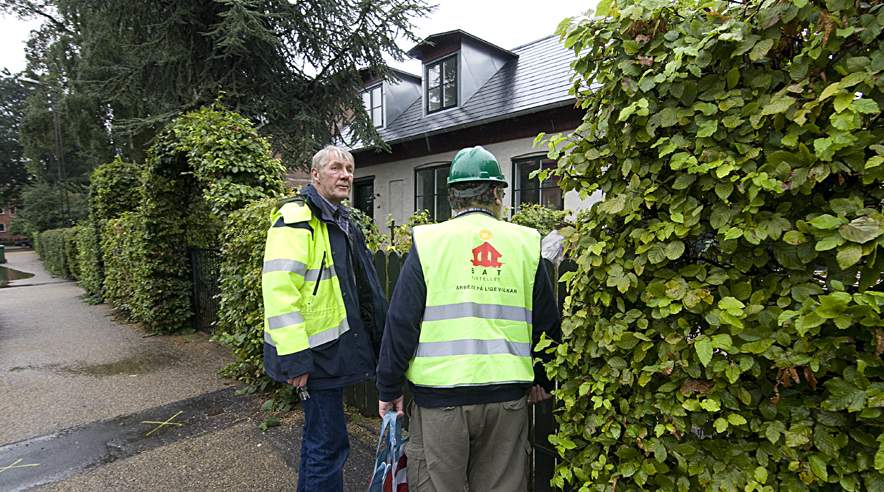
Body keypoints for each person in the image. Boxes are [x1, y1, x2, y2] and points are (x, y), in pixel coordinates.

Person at [376, 146, 561, 491]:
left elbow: (401, 321)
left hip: (440, 403)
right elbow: (547, 323)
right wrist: (543, 378)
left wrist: (389, 386)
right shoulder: (524, 242)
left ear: (452, 196)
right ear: (496, 193)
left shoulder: (429, 241)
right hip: (506, 401)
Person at [262, 145, 387, 491]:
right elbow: (279, 290)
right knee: (328, 444)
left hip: (332, 352)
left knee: (321, 441)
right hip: (314, 356)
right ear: (315, 175)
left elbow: (361, 289)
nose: (345, 175)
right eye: (335, 168)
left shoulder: (342, 220)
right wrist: (296, 358)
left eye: (349, 168)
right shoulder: (297, 219)